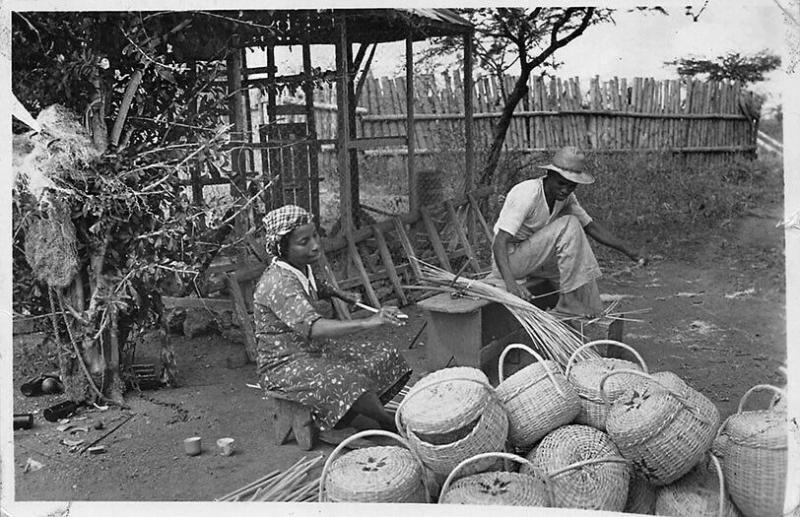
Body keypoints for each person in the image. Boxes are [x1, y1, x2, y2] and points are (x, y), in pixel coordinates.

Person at [253, 205, 411, 433]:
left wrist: (340, 294)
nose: (315, 245)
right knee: (348, 381)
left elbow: (317, 285)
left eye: (315, 236)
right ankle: (387, 422)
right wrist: (369, 321)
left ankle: (349, 413)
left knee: (384, 354)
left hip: (314, 351)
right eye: (303, 241)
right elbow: (314, 328)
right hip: (284, 364)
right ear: (282, 247)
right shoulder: (278, 283)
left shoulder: (300, 266)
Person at [490, 146, 645, 317]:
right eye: (561, 183)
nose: (565, 190)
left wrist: (628, 249)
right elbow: (499, 242)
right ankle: (567, 303)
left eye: (571, 186)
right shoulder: (528, 193)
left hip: (533, 260)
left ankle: (594, 314)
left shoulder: (565, 198)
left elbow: (590, 226)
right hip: (509, 261)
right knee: (569, 224)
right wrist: (510, 283)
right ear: (549, 175)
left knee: (581, 265)